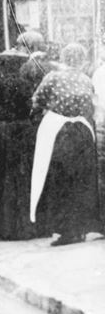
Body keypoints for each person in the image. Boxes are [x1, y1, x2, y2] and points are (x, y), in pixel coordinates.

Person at [30, 44, 101, 246]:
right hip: (82, 132)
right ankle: (80, 227)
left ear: (63, 58)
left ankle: (65, 230)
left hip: (59, 132)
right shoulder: (86, 80)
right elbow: (91, 106)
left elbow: (37, 101)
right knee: (81, 181)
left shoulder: (53, 77)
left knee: (59, 180)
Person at [0, 55, 50, 240]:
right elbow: (30, 108)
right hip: (21, 131)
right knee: (21, 176)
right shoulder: (24, 85)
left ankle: (1, 225)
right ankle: (25, 223)